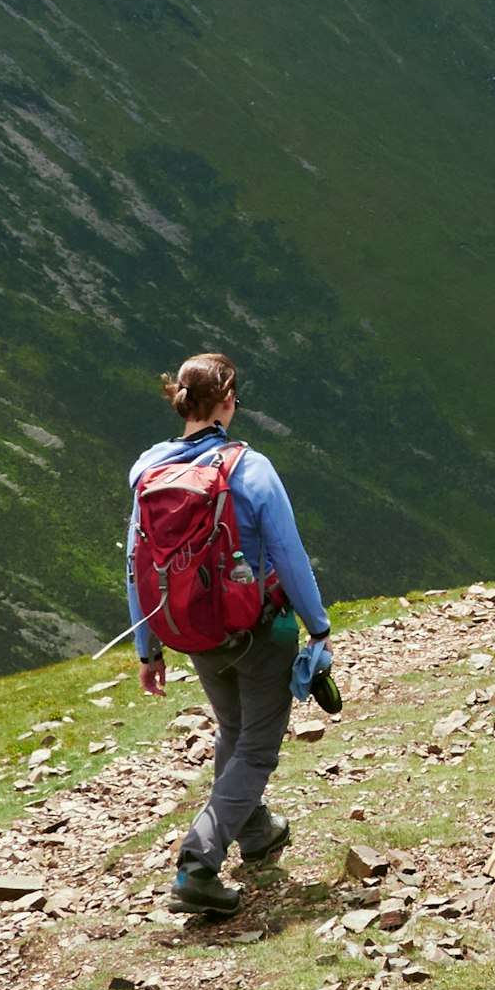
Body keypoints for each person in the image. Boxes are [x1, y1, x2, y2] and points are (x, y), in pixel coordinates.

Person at [124, 351, 337, 916]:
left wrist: (148, 648)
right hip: (259, 627)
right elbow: (289, 556)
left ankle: (257, 829)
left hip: (192, 630)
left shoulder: (148, 470)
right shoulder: (251, 469)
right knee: (258, 746)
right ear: (226, 402)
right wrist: (318, 629)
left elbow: (135, 561)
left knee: (234, 729)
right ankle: (199, 861)